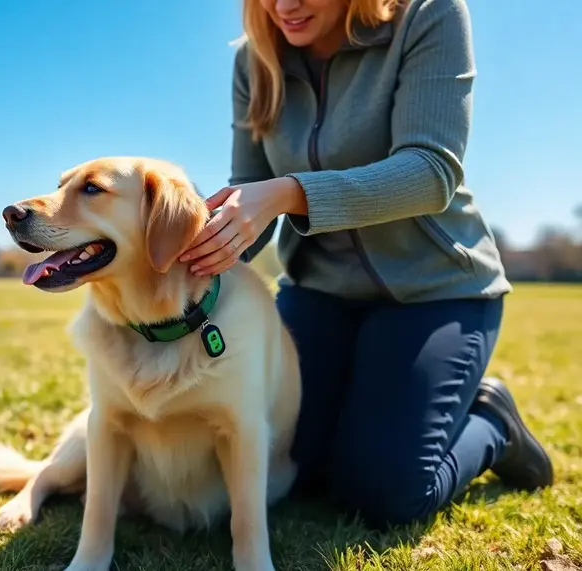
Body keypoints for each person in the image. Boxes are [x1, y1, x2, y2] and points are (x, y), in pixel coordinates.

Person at [178, 0, 554, 528]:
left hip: (436, 292)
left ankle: (493, 424)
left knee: (381, 491)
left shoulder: (430, 15)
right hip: (319, 293)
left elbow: (430, 171)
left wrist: (289, 193)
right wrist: (183, 248)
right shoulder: (253, 59)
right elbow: (249, 192)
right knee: (287, 469)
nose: (284, 6)